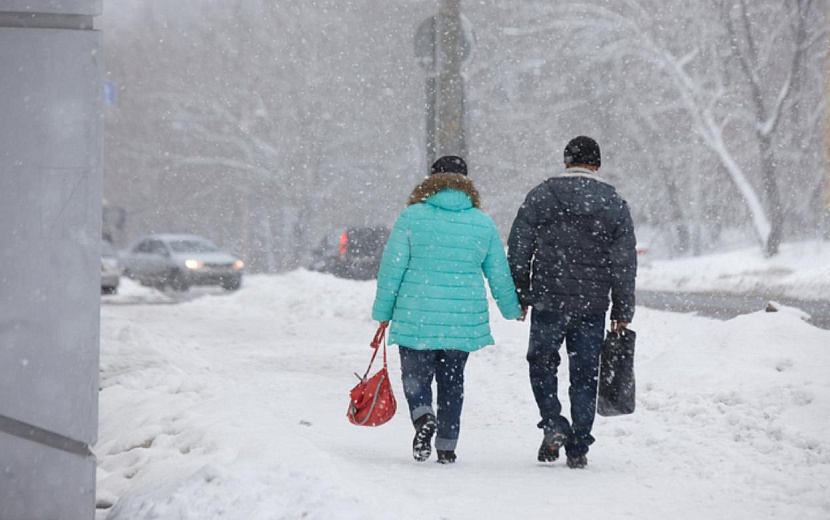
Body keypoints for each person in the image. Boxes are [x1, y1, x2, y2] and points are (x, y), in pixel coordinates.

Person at [372, 155, 523, 464]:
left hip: (416, 314)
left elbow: (392, 268)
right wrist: (512, 309)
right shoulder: (482, 222)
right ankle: (447, 445)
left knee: (416, 377)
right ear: (467, 183)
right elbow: (498, 272)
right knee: (452, 382)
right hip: (461, 320)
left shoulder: (412, 217)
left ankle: (423, 416)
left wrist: (383, 312)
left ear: (431, 180)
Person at [507, 136, 637, 469]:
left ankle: (553, 422)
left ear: (566, 162)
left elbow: (519, 247)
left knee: (542, 364)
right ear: (597, 165)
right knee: (585, 374)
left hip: (548, 300)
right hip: (591, 305)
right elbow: (623, 262)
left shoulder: (541, 196)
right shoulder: (613, 203)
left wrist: (521, 293)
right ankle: (578, 445)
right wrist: (622, 308)